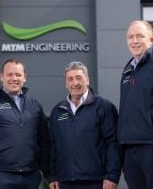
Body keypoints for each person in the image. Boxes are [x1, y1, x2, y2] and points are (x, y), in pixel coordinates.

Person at [0, 58, 50, 189]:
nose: (14, 78)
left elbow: (44, 140)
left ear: (24, 77)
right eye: (9, 74)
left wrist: (42, 171)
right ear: (1, 77)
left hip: (31, 177)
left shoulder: (35, 106)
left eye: (18, 75)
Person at [48, 61, 121, 189]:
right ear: (66, 83)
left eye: (79, 78)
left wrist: (112, 175)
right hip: (64, 182)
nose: (75, 83)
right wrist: (52, 175)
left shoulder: (104, 107)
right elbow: (53, 146)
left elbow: (113, 144)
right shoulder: (58, 111)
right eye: (70, 79)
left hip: (97, 182)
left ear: (87, 79)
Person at [118, 20, 153, 189]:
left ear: (151, 39)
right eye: (130, 37)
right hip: (130, 151)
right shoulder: (127, 72)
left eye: (140, 36)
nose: (134, 41)